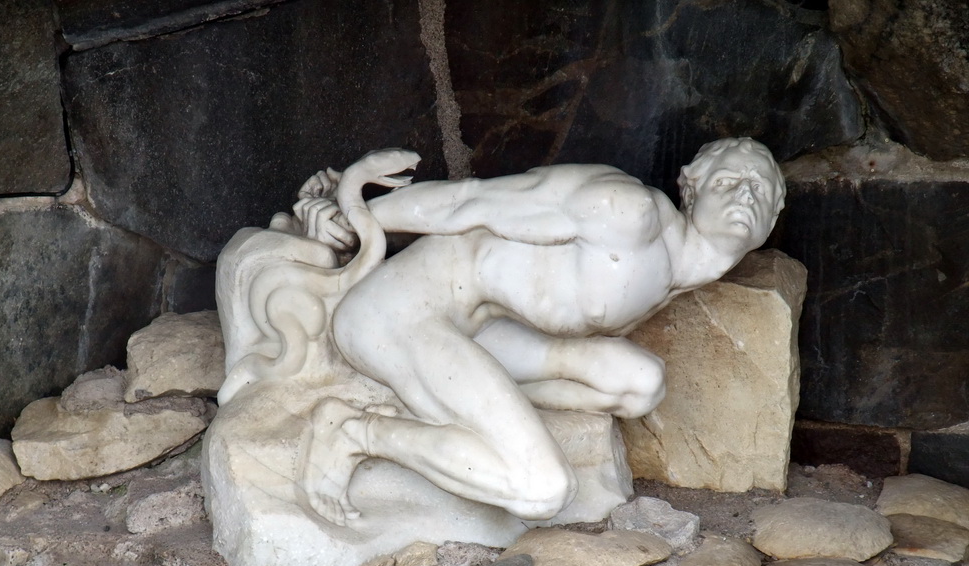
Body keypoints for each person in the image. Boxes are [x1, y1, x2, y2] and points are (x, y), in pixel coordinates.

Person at [299, 137, 785, 525]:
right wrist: (352, 219)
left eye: (759, 188)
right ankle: (352, 432)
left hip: (481, 328)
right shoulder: (624, 210)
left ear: (773, 221)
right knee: (543, 489)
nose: (744, 195)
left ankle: (483, 407)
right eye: (728, 181)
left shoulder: (680, 270)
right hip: (400, 313)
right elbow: (471, 200)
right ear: (692, 190)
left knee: (641, 386)